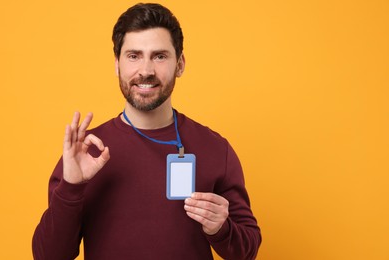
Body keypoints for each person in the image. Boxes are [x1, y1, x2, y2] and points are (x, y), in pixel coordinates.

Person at [32, 3, 261, 259]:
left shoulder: (216, 149)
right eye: (134, 56)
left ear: (180, 64)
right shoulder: (85, 152)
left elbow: (247, 250)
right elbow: (48, 255)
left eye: (160, 56)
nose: (146, 71)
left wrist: (222, 228)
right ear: (117, 64)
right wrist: (72, 186)